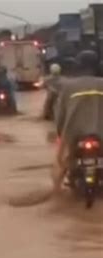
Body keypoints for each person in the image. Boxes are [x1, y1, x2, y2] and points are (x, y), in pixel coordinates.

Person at [52, 50, 103, 194]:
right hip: (101, 133)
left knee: (62, 163)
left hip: (74, 134)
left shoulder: (68, 86)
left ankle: (55, 192)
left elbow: (60, 114)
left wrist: (60, 133)